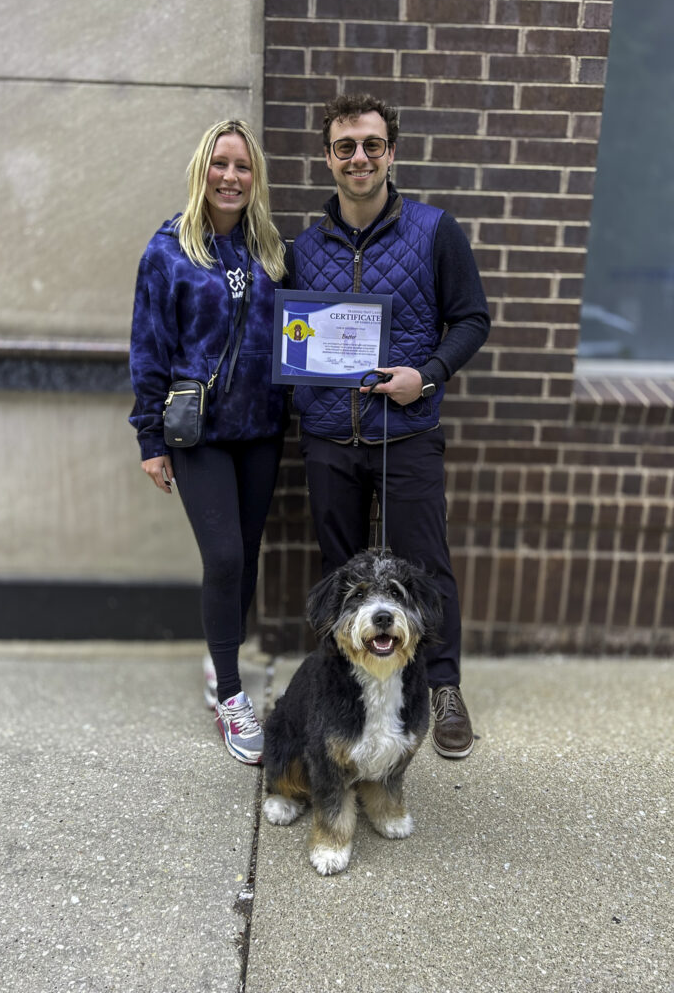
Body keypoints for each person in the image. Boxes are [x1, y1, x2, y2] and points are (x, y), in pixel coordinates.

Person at [287, 93, 491, 759]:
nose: (359, 158)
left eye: (371, 145)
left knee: (426, 570)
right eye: (345, 147)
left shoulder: (435, 231)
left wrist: (425, 376)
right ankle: (344, 690)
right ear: (328, 158)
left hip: (406, 435)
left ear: (390, 153)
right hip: (328, 439)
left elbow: (472, 321)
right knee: (343, 575)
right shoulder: (304, 247)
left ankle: (443, 688)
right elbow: (291, 335)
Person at [129, 119, 286, 765]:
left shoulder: (271, 251)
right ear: (202, 170)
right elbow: (148, 349)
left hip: (263, 430)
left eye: (242, 167)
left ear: (256, 179)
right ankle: (229, 692)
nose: (230, 176)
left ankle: (216, 655)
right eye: (220, 163)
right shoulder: (169, 251)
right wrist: (149, 438)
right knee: (223, 557)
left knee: (246, 557)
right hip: (197, 433)